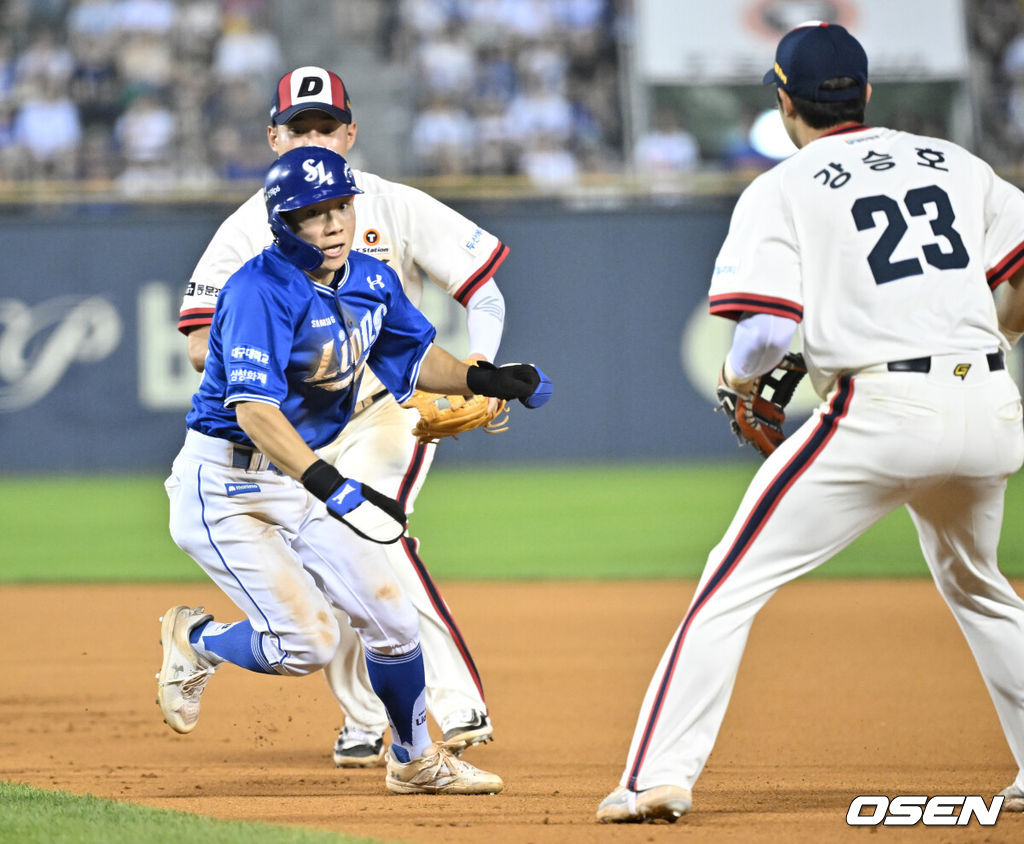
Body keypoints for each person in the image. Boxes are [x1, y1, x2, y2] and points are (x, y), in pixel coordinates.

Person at [596, 21, 1024, 822]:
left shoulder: (783, 187)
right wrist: (989, 332)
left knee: (730, 583)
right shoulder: (955, 163)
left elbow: (763, 333)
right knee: (980, 586)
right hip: (992, 408)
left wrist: (735, 379)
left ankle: (657, 774)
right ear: (865, 92)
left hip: (883, 413)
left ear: (787, 100)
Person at [159, 145, 550, 795]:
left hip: (298, 474)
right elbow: (255, 413)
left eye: (340, 206)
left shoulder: (369, 278)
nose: (334, 223)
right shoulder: (258, 290)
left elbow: (416, 357)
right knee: (307, 644)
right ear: (285, 223)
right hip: (225, 484)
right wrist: (331, 486)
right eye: (315, 213)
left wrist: (485, 376)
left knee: (393, 618)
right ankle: (197, 639)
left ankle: (415, 759)